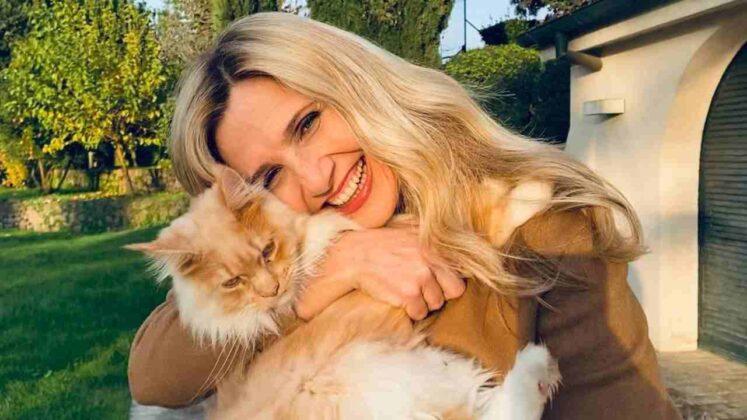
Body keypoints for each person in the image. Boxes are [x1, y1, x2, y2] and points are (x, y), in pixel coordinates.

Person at [128, 12, 681, 419]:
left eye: (308, 124)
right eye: (270, 177)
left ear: (357, 86)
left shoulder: (537, 222)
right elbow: (154, 373)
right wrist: (330, 273)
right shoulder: (287, 254)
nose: (316, 179)